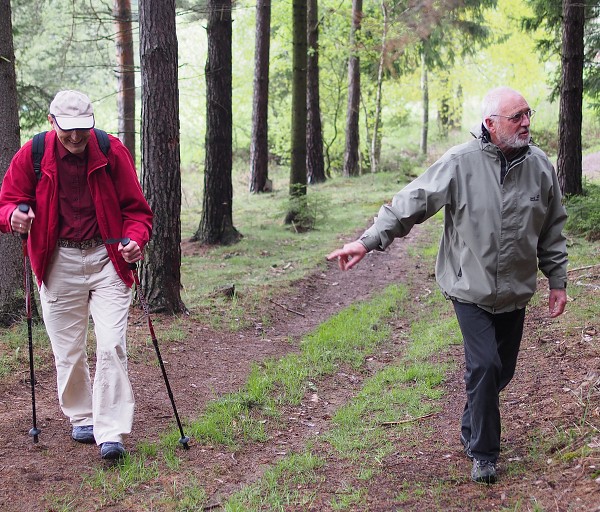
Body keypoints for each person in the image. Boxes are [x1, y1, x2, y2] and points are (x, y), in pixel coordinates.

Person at [327, 86, 568, 484]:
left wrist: (556, 280)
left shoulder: (541, 166)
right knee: (485, 365)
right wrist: (367, 241)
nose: (526, 122)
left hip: (515, 292)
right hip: (468, 288)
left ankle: (474, 419)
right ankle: (484, 454)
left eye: (529, 113)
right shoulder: (460, 162)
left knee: (499, 373)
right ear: (490, 124)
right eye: (517, 116)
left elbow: (552, 230)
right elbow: (411, 203)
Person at [0, 90, 153, 460]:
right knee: (68, 349)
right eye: (68, 129)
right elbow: (7, 201)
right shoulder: (33, 154)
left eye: (83, 129)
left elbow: (137, 210)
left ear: (92, 124)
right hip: (58, 261)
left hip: (107, 258)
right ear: (53, 123)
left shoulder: (111, 151)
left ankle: (111, 430)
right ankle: (82, 415)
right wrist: (13, 217)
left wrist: (134, 240)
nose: (75, 137)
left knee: (112, 343)